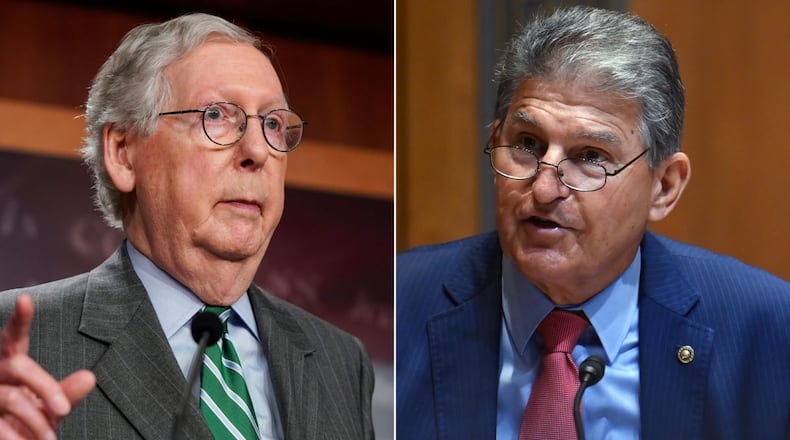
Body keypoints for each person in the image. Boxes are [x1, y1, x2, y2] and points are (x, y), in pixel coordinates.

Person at [397, 6, 790, 440]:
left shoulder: (766, 333)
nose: (544, 189)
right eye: (527, 144)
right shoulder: (402, 302)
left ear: (664, 187)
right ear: (494, 142)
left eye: (589, 156)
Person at [0, 13, 374, 440]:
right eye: (216, 115)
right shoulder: (18, 344)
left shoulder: (341, 362)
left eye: (272, 123)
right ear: (123, 152)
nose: (257, 150)